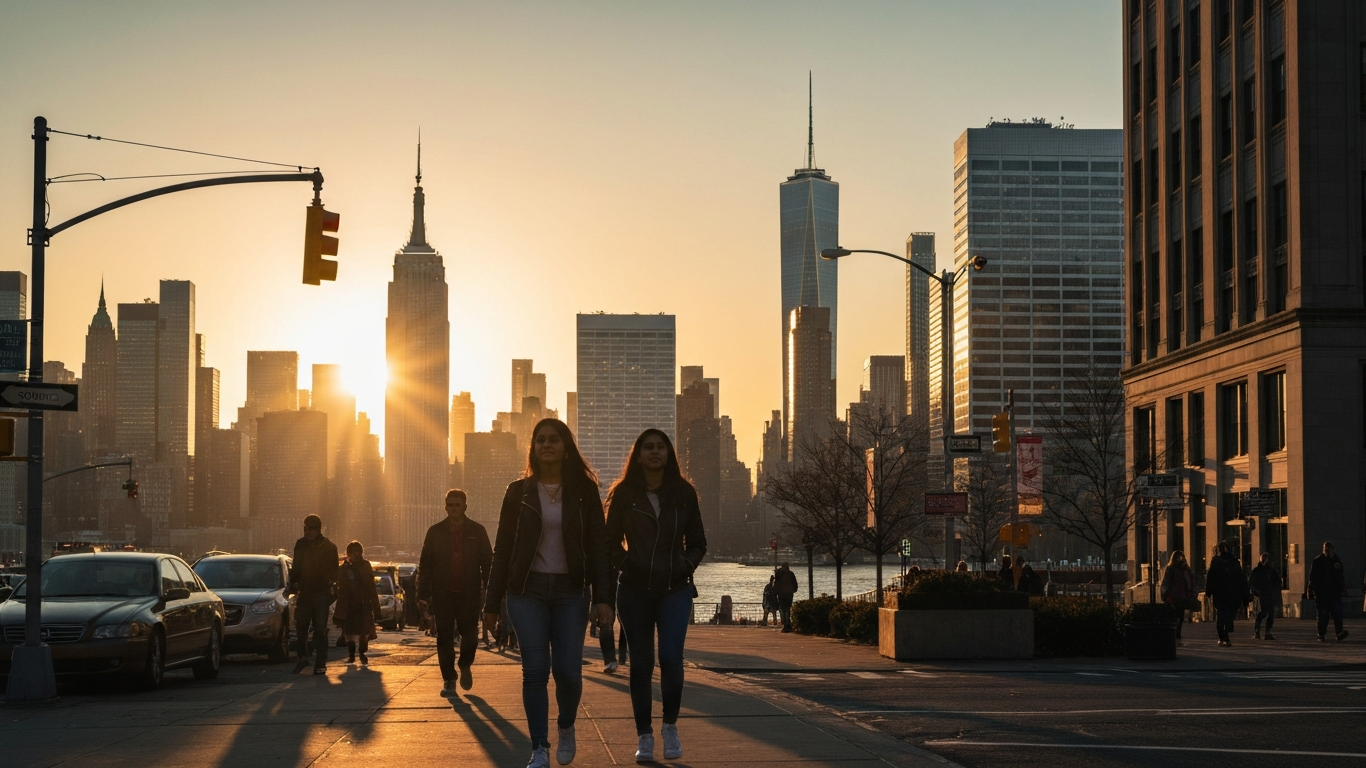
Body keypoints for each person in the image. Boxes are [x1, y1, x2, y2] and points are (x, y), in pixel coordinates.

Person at [483, 418, 612, 768]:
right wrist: (491, 605)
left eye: (554, 439)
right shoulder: (518, 492)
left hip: (571, 591)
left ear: (566, 446)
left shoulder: (584, 492)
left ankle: (566, 725)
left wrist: (603, 598)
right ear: (533, 448)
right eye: (540, 440)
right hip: (528, 592)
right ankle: (539, 747)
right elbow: (503, 549)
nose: (546, 445)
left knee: (568, 670)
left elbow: (599, 547)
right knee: (535, 671)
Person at [606, 428, 708, 763]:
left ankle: (670, 726)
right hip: (633, 590)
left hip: (674, 589)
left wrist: (683, 565)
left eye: (660, 447)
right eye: (648, 447)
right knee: (640, 664)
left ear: (669, 454)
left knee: (670, 658)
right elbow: (608, 543)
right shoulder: (624, 495)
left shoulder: (683, 493)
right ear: (637, 455)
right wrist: (628, 564)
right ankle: (645, 735)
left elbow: (698, 542)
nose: (654, 452)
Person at [418, 489, 493, 696]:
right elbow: (425, 565)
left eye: (457, 505)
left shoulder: (477, 531)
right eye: (450, 505)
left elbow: (487, 563)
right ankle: (449, 679)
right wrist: (422, 595)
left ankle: (465, 664)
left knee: (470, 636)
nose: (453, 508)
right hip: (443, 593)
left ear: (465, 506)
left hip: (469, 594)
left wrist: (492, 590)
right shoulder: (435, 532)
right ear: (445, 507)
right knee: (444, 638)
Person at [290, 514, 338, 675]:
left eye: (310, 529)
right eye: (305, 528)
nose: (307, 532)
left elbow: (335, 573)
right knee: (301, 627)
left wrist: (328, 584)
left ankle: (320, 663)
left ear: (318, 529)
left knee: (320, 629)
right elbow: (296, 567)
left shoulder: (328, 547)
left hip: (321, 593)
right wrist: (293, 584)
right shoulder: (300, 545)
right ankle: (303, 657)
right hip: (305, 592)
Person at [334, 541, 380, 664]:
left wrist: (376, 607)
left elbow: (371, 586)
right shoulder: (343, 568)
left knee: (364, 632)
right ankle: (351, 654)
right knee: (349, 632)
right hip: (348, 605)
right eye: (352, 552)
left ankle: (361, 652)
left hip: (363, 604)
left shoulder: (365, 566)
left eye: (357, 552)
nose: (355, 555)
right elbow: (339, 587)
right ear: (348, 554)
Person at [1204, 541, 1249, 647]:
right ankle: (1226, 632)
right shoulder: (1234, 562)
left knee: (1220, 615)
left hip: (1220, 593)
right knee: (1230, 614)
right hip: (1232, 593)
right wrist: (1244, 595)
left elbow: (1210, 578)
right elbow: (1241, 579)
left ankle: (1222, 635)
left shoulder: (1216, 562)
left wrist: (1209, 591)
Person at [1308, 541, 1349, 642]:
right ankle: (1321, 634)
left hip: (1334, 592)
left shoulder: (1336, 560)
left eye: (1329, 550)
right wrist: (1310, 589)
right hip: (1322, 593)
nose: (1327, 552)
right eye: (1325, 550)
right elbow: (1312, 577)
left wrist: (1342, 588)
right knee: (1323, 615)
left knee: (1337, 614)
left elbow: (1340, 575)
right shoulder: (1318, 561)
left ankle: (1339, 632)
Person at [1161, 550, 1195, 646]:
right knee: (1178, 618)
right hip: (1177, 597)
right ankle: (1176, 638)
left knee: (1178, 618)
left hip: (1177, 596)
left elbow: (1166, 583)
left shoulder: (1181, 569)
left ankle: (1176, 638)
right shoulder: (1177, 569)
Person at [1249, 552, 1282, 641]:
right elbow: (1251, 583)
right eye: (1263, 559)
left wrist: (1276, 590)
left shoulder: (1271, 571)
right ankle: (1257, 630)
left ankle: (1267, 632)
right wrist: (1255, 591)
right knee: (1262, 612)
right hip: (1261, 595)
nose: (1265, 561)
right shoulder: (1257, 571)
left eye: (1266, 559)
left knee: (1270, 613)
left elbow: (1277, 582)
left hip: (1269, 594)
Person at [774, 563, 798, 632]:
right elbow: (795, 584)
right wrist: (793, 590)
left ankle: (785, 624)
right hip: (789, 594)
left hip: (781, 594)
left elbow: (776, 583)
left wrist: (776, 592)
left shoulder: (778, 573)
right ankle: (788, 624)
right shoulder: (791, 573)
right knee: (788, 608)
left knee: (782, 609)